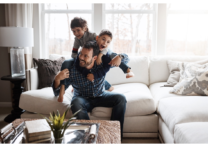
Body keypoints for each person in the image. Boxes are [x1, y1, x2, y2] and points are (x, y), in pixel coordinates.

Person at [52, 41, 127, 139]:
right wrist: (57, 78)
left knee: (121, 98)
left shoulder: (102, 63)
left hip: (101, 95)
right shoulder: (73, 69)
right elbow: (57, 92)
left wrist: (120, 57)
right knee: (75, 102)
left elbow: (126, 60)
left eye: (86, 56)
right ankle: (90, 137)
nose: (81, 58)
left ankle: (114, 136)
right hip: (82, 98)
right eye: (81, 54)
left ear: (94, 58)